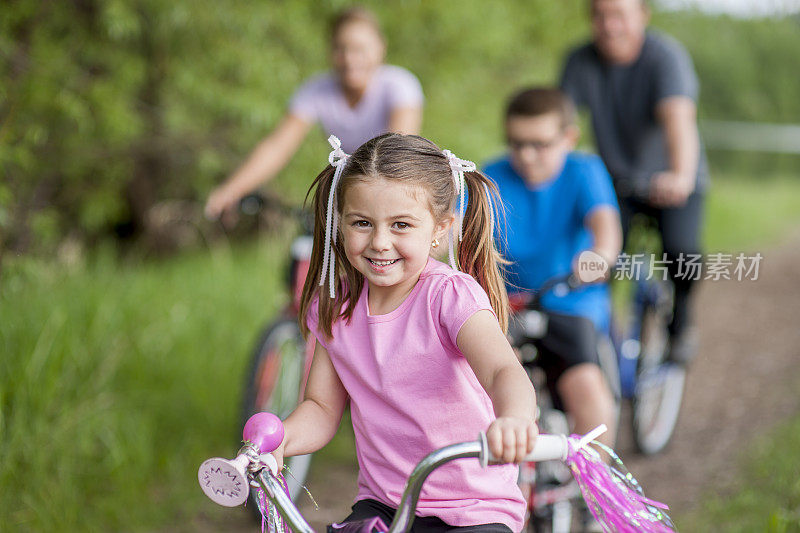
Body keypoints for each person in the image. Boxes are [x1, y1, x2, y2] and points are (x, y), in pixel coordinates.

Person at [272, 133, 537, 533]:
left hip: (473, 509)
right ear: (338, 222)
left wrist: (515, 419)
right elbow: (322, 409)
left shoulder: (448, 295)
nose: (379, 242)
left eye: (401, 225)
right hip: (384, 505)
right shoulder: (334, 307)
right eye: (362, 223)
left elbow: (503, 370)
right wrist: (279, 442)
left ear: (440, 228)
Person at [560, 0, 707, 364]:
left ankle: (682, 324)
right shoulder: (580, 60)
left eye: (619, 15)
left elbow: (679, 120)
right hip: (617, 181)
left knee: (681, 252)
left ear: (643, 16)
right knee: (595, 258)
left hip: (673, 178)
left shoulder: (665, 57)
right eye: (600, 16)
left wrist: (681, 175)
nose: (609, 25)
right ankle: (603, 338)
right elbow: (559, 123)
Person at [483, 87, 621, 449]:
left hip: (569, 301)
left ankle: (597, 494)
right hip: (506, 305)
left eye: (540, 144)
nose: (527, 155)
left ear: (568, 138)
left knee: (586, 387)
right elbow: (454, 230)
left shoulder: (584, 171)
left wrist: (598, 258)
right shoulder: (490, 176)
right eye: (516, 143)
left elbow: (605, 229)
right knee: (486, 383)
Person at [204, 7, 424, 222]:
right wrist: (232, 189)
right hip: (353, 195)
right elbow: (278, 146)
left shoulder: (400, 85)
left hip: (397, 188)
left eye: (359, 49)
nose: (349, 59)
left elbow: (398, 151)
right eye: (341, 48)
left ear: (380, 48)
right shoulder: (317, 90)